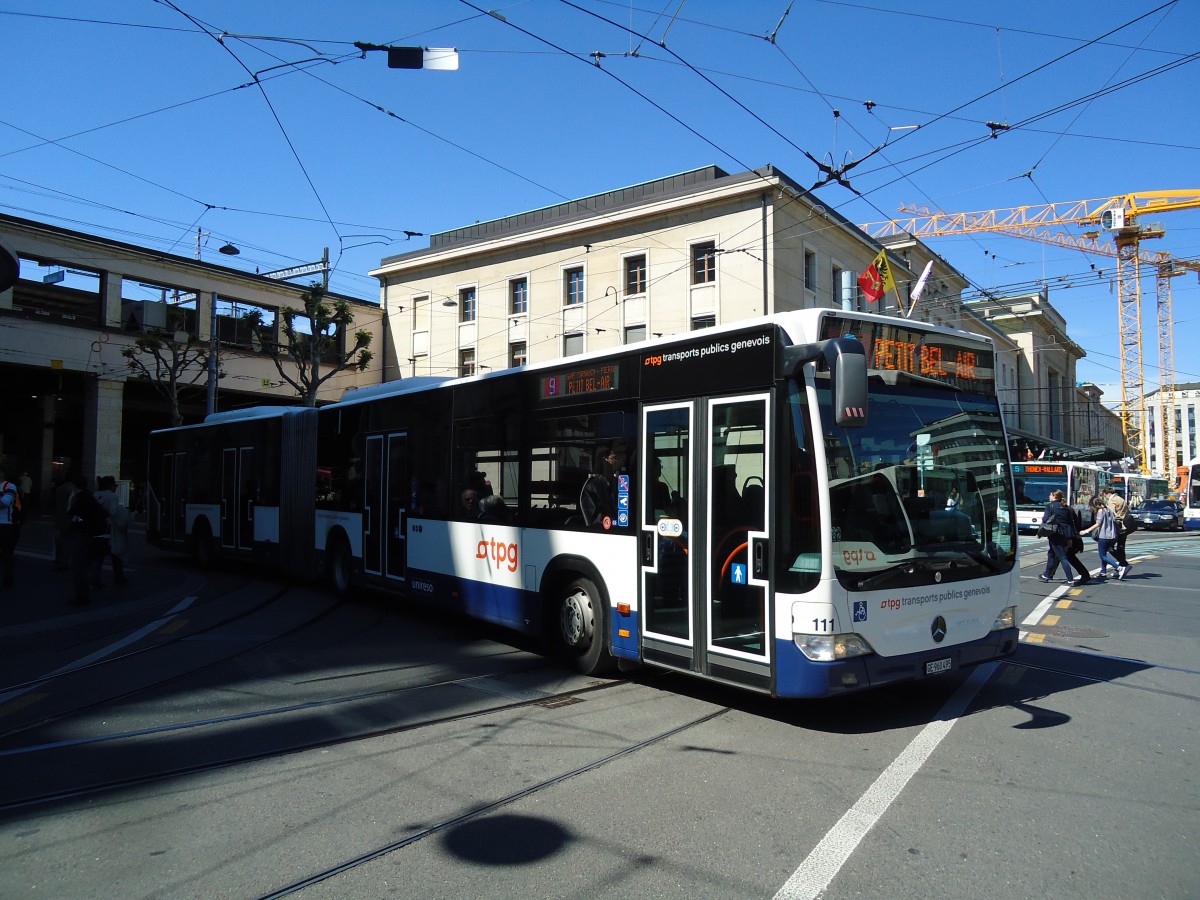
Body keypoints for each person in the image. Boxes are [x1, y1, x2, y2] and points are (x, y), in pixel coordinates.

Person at [66, 474, 107, 605]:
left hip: (80, 534)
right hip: (86, 534)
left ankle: (81, 596)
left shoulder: (81, 498)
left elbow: (71, 513)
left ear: (74, 485)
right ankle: (82, 595)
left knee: (77, 565)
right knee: (80, 565)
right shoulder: (89, 496)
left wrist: (78, 520)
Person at [1038, 489, 1090, 585]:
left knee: (1064, 556)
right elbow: (1076, 522)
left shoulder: (1051, 506)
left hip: (1056, 534)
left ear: (1054, 496)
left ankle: (1079, 576)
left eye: (1050, 494)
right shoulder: (1067, 508)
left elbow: (1045, 519)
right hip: (1069, 535)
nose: (1049, 496)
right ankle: (1047, 574)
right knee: (1053, 554)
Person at [94, 475, 129, 586]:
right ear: (110, 485)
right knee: (116, 553)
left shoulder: (95, 495)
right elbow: (113, 512)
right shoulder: (112, 497)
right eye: (115, 485)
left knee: (98, 556)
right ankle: (119, 577)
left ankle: (95, 579)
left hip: (97, 528)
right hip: (110, 528)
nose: (116, 487)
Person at [1079, 495, 1125, 579]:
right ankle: (1103, 571)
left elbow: (1098, 523)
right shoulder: (1109, 509)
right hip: (1112, 535)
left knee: (1102, 555)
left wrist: (1086, 530)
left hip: (1104, 536)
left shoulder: (1101, 511)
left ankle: (1118, 567)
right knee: (1104, 554)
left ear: (1095, 505)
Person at [1104, 487, 1133, 577]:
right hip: (1124, 526)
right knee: (1121, 546)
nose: (1105, 498)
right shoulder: (1121, 499)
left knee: (1109, 547)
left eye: (1105, 496)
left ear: (1108, 494)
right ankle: (1122, 567)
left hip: (1117, 526)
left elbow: (1111, 514)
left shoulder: (1112, 501)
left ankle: (1124, 564)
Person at [0, 466, 20, 590]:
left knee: (7, 554)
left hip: (5, 525)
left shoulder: (9, 486)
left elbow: (4, 503)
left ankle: (8, 581)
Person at [53, 473, 74, 571]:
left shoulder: (59, 489)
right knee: (67, 541)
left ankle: (58, 560)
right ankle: (64, 561)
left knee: (59, 540)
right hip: (68, 518)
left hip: (59, 517)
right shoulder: (72, 490)